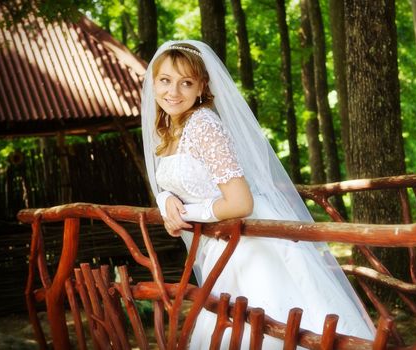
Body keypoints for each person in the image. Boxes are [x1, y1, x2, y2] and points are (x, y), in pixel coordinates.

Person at [141, 40, 375, 348]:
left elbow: (240, 202)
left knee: (265, 327)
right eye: (165, 81)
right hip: (222, 245)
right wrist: (165, 199)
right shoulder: (171, 129)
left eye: (186, 82)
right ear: (153, 83)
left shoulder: (203, 126)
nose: (173, 92)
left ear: (201, 88)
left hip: (248, 246)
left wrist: (183, 214)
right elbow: (182, 182)